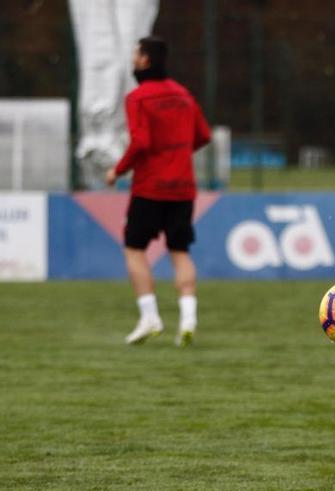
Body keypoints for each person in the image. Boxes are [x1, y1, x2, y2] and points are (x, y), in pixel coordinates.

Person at [105, 36, 211, 347]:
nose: (133, 59)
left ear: (146, 60)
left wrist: (118, 170)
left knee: (134, 249)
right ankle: (188, 318)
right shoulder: (183, 95)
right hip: (183, 187)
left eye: (136, 54)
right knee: (180, 251)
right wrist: (176, 155)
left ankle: (150, 316)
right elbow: (203, 135)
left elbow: (141, 143)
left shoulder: (138, 97)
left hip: (150, 187)